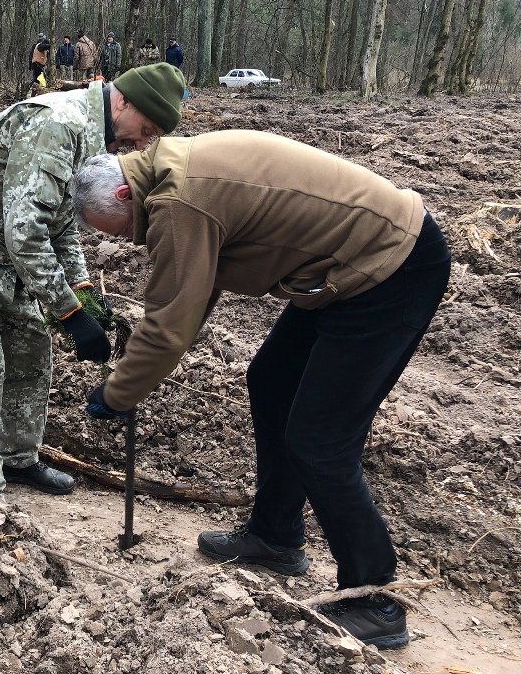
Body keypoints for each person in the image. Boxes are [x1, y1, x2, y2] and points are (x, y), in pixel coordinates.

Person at [74, 130, 451, 651]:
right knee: (271, 380)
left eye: (118, 230)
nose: (126, 240)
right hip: (344, 267)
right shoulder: (170, 172)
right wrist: (137, 374)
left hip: (390, 266)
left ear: (122, 195)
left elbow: (167, 327)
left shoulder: (179, 200)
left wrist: (118, 392)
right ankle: (276, 537)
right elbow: (191, 295)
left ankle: (375, 599)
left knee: (320, 443)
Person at [0, 63, 186, 497]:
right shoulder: (58, 125)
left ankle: (20, 461)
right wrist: (69, 313)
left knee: (32, 353)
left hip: (3, 260)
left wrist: (84, 290)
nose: (141, 142)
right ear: (123, 100)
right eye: (144, 127)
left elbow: (62, 220)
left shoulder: (92, 139)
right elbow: (27, 232)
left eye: (152, 136)